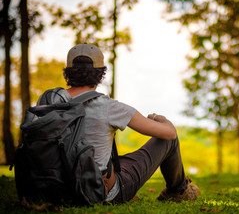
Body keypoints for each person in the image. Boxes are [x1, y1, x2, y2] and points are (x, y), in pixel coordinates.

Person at [38, 43, 199, 203]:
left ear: (68, 72)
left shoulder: (49, 99)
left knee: (120, 161)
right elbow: (169, 133)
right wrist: (158, 118)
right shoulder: (108, 106)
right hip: (97, 192)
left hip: (53, 188)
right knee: (168, 141)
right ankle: (178, 191)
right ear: (100, 74)